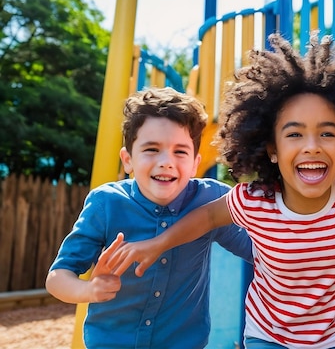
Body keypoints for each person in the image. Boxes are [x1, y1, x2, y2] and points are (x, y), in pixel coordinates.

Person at [105, 32, 335, 349]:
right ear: (272, 148)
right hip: (269, 336)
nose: (311, 147)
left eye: (327, 133)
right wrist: (158, 243)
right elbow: (207, 218)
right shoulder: (254, 201)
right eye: (294, 134)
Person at [45, 87, 253, 348]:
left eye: (180, 152)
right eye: (152, 149)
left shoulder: (212, 202)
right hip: (112, 343)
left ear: (195, 164)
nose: (166, 161)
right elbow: (58, 277)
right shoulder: (106, 203)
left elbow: (258, 251)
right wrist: (88, 291)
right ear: (128, 160)